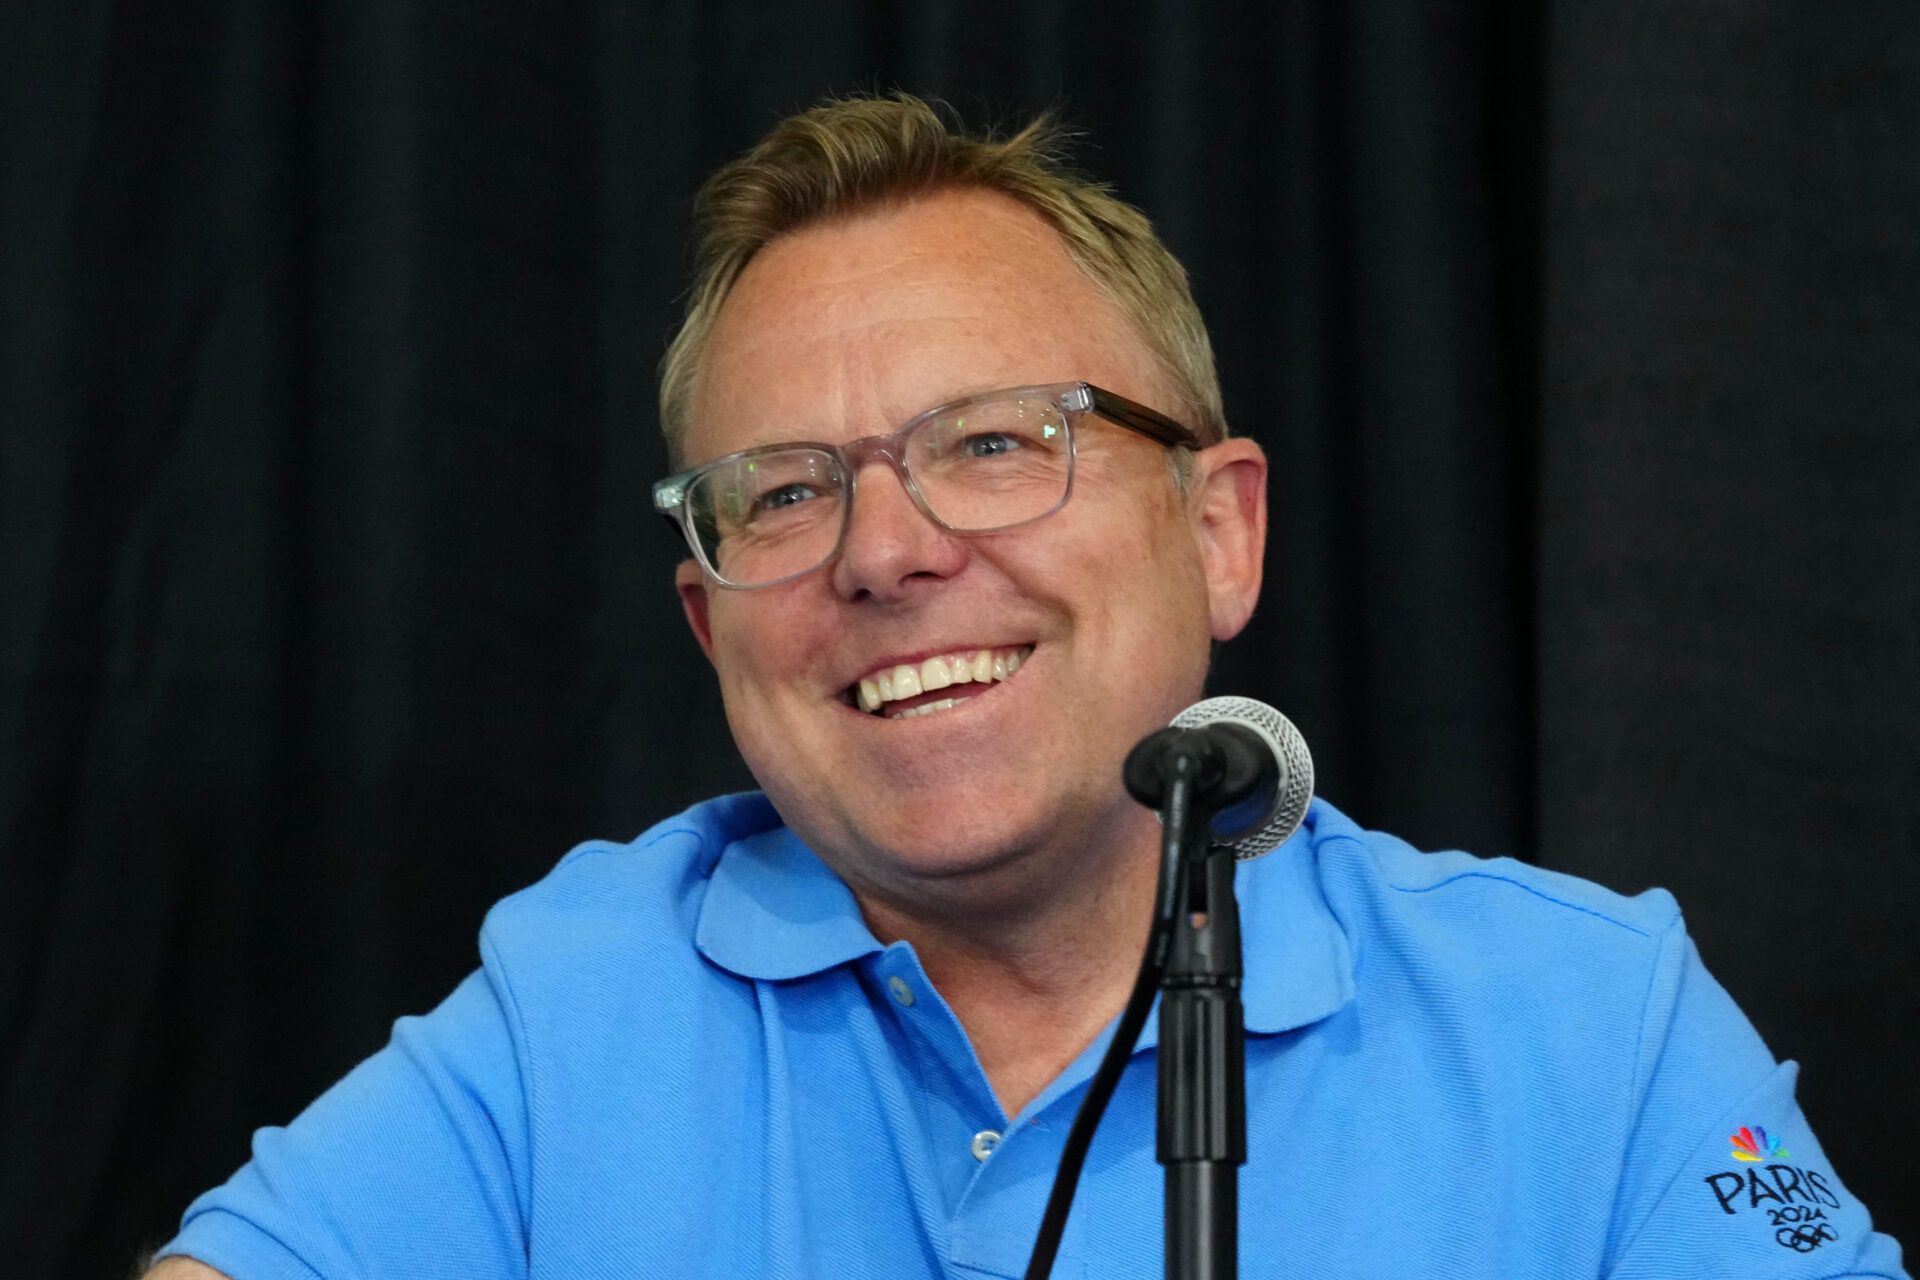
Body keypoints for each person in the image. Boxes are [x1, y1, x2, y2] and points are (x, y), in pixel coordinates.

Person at [148, 93, 1906, 1279]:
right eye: (786, 487)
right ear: (710, 628)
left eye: (993, 443)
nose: (882, 551)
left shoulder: (1594, 1027)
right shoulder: (578, 1001)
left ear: (1221, 534)